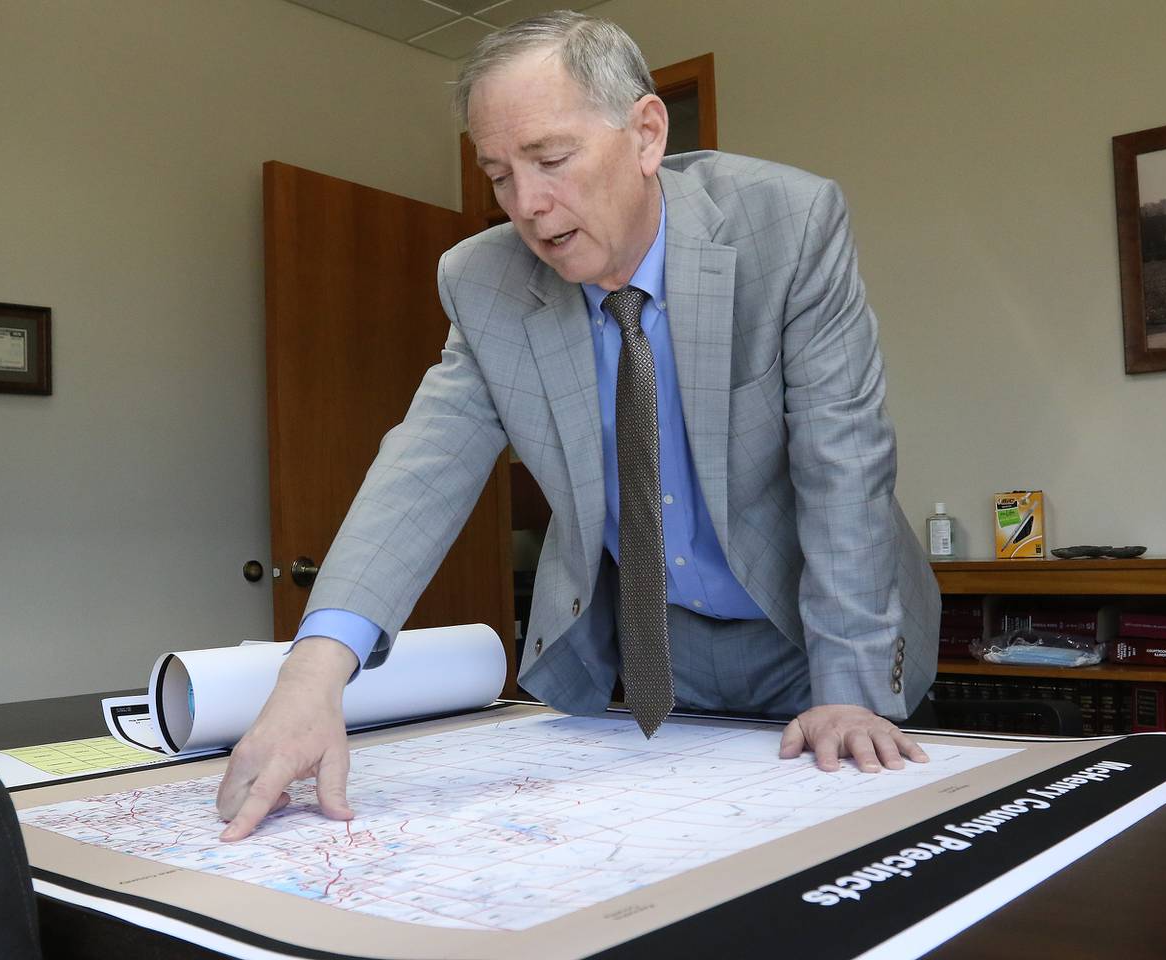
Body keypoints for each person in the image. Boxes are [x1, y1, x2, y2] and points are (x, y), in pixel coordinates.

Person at [216, 11, 939, 842]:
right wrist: (313, 675)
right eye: (497, 175)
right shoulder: (483, 280)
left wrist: (848, 688)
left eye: (551, 160)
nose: (527, 205)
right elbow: (420, 472)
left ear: (645, 132)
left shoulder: (787, 222)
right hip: (658, 657)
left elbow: (841, 461)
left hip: (821, 631)